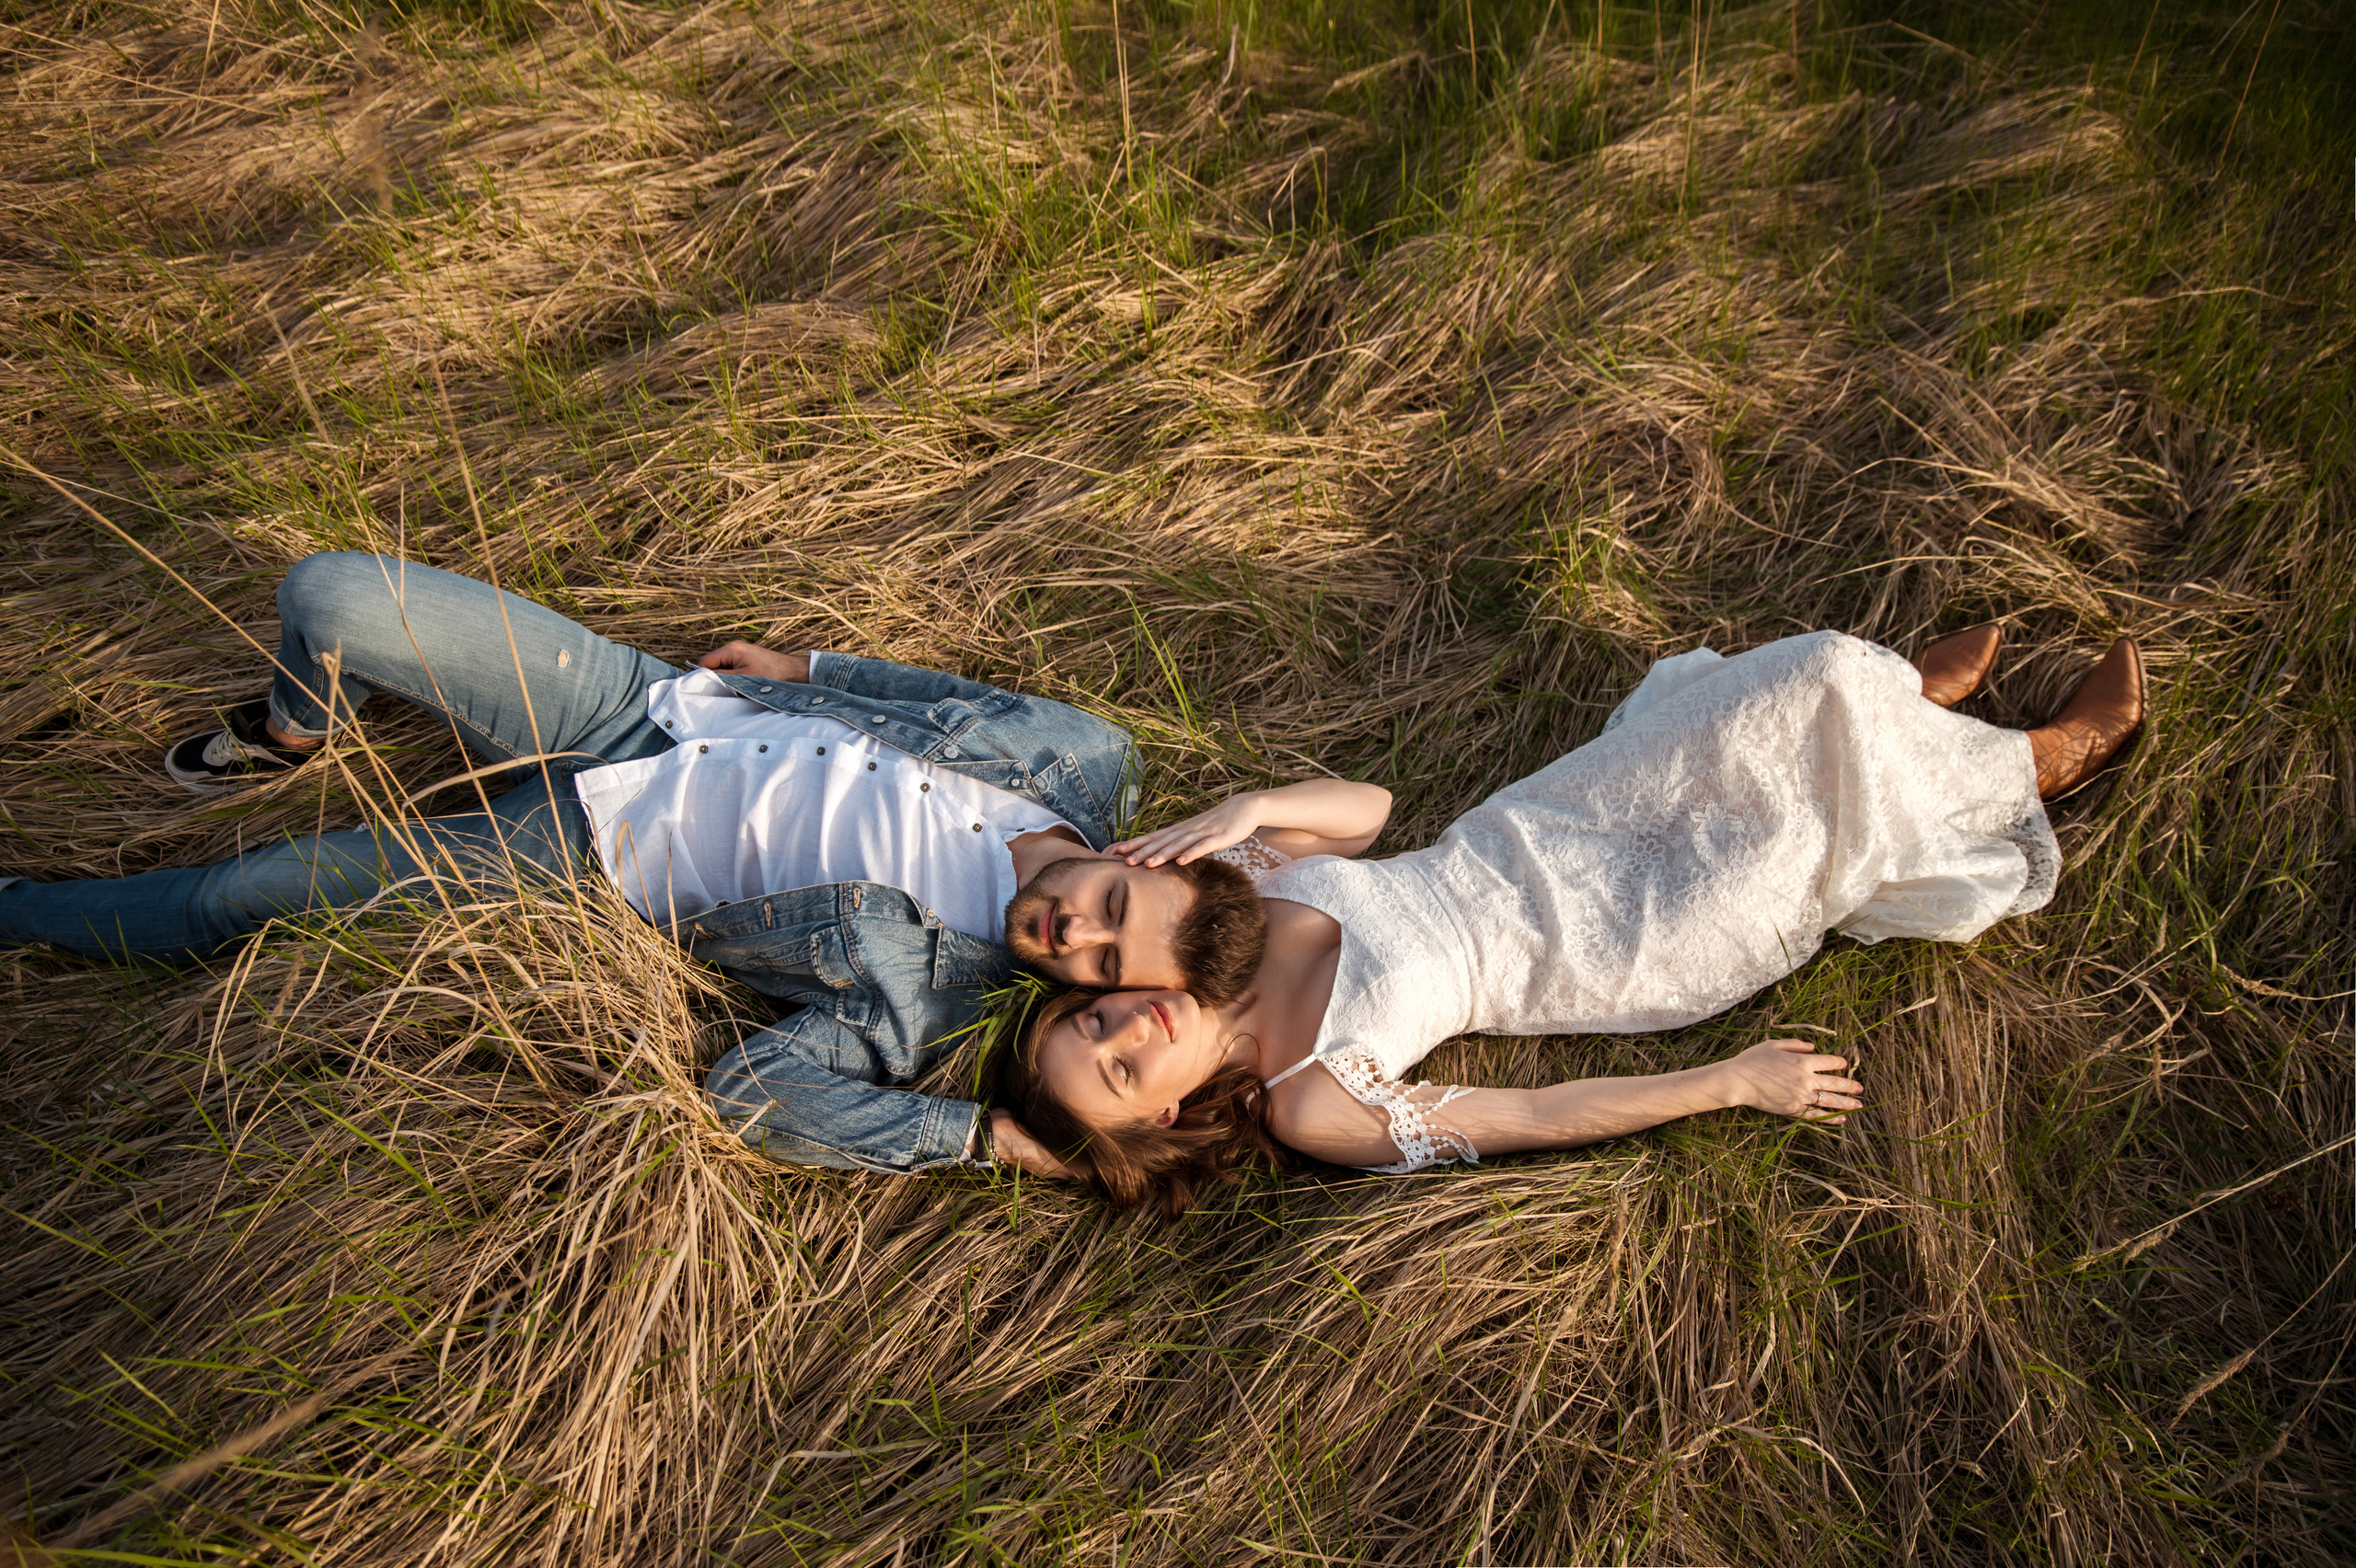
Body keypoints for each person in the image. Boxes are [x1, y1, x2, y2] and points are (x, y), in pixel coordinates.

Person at [0, 552, 1268, 1172]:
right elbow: (947, 692)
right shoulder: (1088, 760)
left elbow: (755, 1099)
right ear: (1141, 854)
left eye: (1093, 968)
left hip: (575, 858)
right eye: (1109, 907)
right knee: (331, 596)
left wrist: (979, 1139)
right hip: (641, 709)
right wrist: (812, 671)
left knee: (251, 894)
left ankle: (18, 913)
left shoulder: (925, 996)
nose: (1072, 938)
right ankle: (291, 726)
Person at [992, 625, 2148, 1214]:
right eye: (1118, 1068)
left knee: (1813, 680)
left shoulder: (1222, 923)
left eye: (1089, 1022)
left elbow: (1371, 812)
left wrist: (1251, 807)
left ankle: (1900, 702)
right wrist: (1731, 1082)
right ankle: (2043, 765)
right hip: (1623, 941)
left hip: (1533, 829)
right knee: (1808, 832)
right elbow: (1536, 1112)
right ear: (1169, 1112)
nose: (1120, 1025)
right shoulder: (1310, 1101)